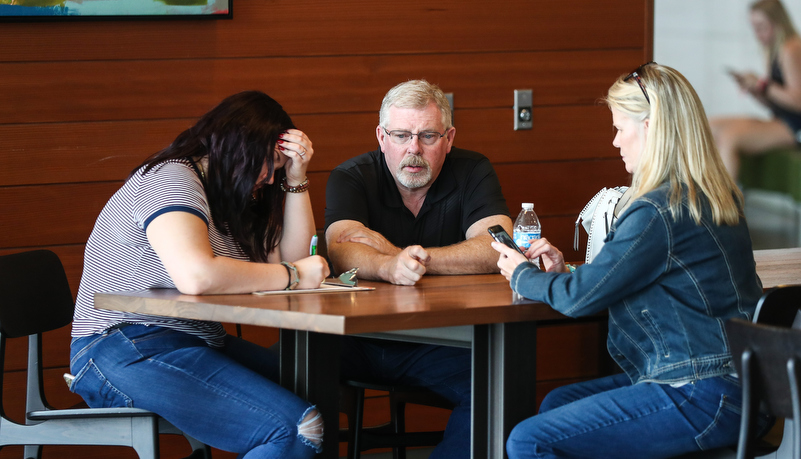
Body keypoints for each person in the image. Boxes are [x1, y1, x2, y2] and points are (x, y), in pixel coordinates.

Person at [493, 63, 766, 459]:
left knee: (529, 441)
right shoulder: (710, 196)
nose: (616, 141)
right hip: (742, 388)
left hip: (701, 391)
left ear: (652, 127)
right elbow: (626, 275)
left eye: (621, 128)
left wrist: (521, 275)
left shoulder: (658, 211)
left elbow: (579, 299)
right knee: (557, 403)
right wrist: (566, 271)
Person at [69, 91, 330, 458]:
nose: (271, 178)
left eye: (279, 165)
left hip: (192, 339)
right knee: (298, 428)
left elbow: (295, 260)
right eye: (267, 163)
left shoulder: (231, 198)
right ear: (237, 148)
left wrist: (297, 178)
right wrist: (293, 274)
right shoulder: (170, 177)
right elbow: (196, 275)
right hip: (121, 345)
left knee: (318, 391)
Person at [324, 79, 512, 458]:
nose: (414, 148)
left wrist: (407, 258)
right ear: (381, 136)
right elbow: (340, 249)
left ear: (449, 137)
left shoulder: (473, 170)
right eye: (401, 135)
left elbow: (499, 247)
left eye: (428, 135)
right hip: (352, 338)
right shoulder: (352, 175)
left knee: (498, 389)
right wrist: (389, 266)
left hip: (438, 341)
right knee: (282, 374)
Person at [711, 0, 801, 179]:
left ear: (778, 23)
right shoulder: (772, 49)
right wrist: (754, 90)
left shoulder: (791, 48)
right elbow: (774, 102)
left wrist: (763, 85)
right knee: (711, 126)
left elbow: (798, 102)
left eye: (762, 27)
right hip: (780, 120)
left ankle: (724, 204)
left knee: (730, 137)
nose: (757, 34)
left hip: (794, 126)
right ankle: (707, 193)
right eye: (754, 28)